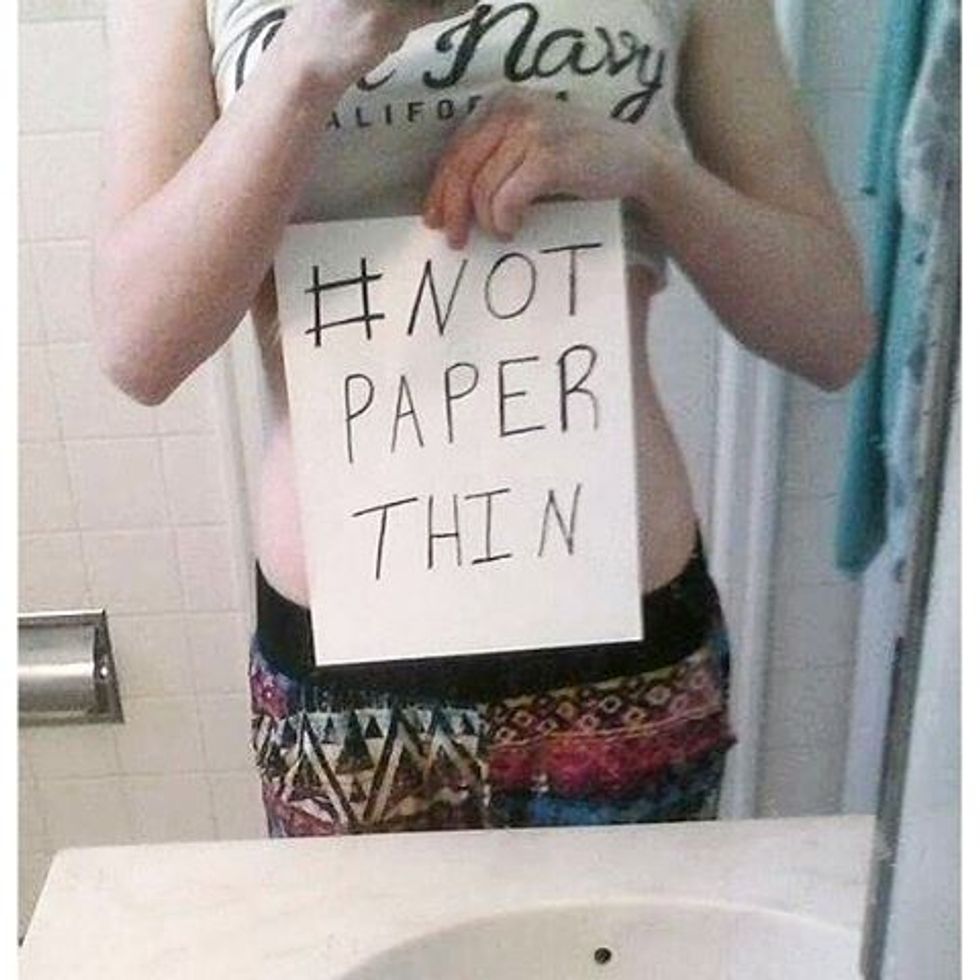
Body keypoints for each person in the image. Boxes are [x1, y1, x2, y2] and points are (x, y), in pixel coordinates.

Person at [94, 0, 874, 836]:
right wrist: (303, 66)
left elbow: (831, 332)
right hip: (344, 681)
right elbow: (139, 348)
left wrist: (650, 168)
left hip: (625, 650)